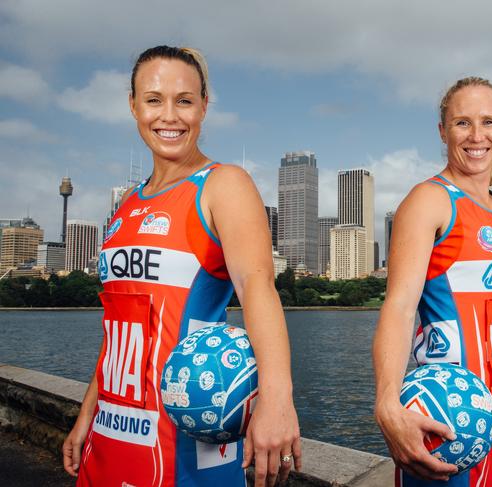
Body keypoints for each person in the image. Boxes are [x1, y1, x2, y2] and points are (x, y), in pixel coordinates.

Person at [62, 45, 301, 487]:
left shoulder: (222, 185)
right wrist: (85, 417)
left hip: (185, 451)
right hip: (108, 441)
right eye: (154, 100)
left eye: (184, 101)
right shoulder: (126, 206)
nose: (168, 116)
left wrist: (277, 400)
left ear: (204, 107)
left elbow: (257, 285)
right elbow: (120, 329)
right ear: (133, 105)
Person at [373, 77, 492, 487]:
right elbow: (400, 307)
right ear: (443, 132)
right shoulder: (429, 200)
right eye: (462, 123)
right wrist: (387, 404)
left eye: (488, 122)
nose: (477, 136)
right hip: (451, 423)